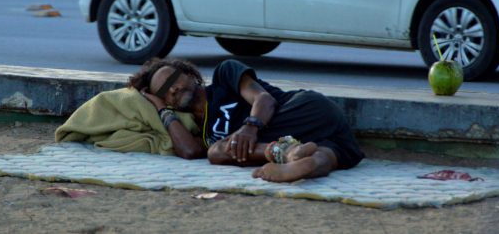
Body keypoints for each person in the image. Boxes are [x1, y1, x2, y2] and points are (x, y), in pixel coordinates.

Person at [127, 58, 365, 183]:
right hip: (327, 139)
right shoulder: (203, 131)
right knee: (325, 158)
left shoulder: (224, 76)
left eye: (173, 80)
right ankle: (298, 160)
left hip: (301, 110)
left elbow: (264, 99)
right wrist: (160, 109)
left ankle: (287, 153)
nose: (173, 90)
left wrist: (249, 128)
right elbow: (189, 151)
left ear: (189, 74)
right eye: (164, 93)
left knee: (219, 151)